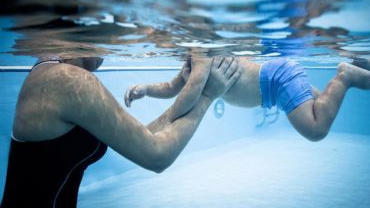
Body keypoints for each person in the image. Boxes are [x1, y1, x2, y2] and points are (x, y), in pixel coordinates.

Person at [1, 55, 241, 208]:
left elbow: (140, 139)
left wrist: (190, 91)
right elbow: (157, 156)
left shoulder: (53, 69)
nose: (106, 53)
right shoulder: (67, 80)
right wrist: (208, 95)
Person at [125, 56, 370, 141]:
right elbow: (174, 86)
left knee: (316, 129)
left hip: (277, 82)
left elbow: (186, 98)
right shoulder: (193, 57)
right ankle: (358, 63)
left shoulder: (203, 53)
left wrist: (157, 129)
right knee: (324, 104)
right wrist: (146, 89)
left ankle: (345, 75)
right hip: (278, 79)